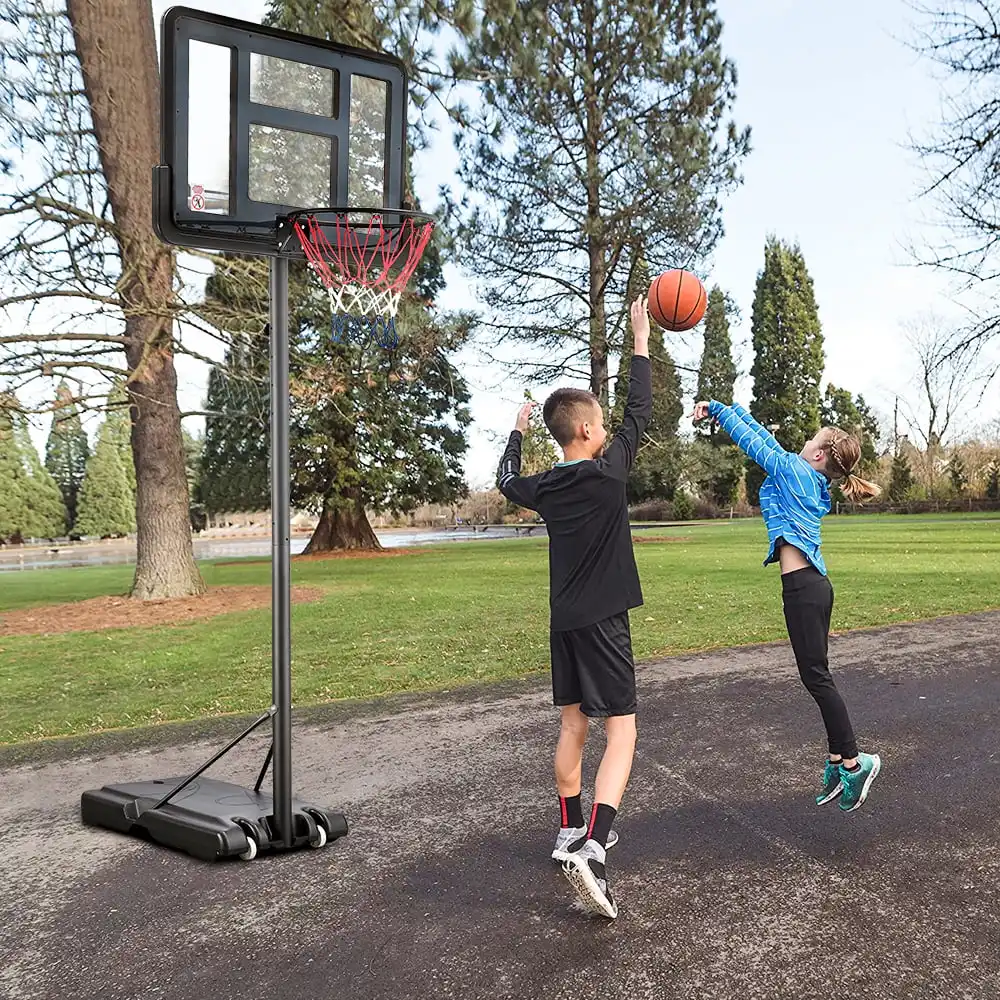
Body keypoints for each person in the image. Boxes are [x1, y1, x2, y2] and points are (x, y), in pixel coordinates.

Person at [496, 296, 653, 919]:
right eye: (602, 424)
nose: (610, 429)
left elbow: (507, 480)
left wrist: (516, 428)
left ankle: (568, 829)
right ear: (587, 431)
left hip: (564, 621)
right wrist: (640, 338)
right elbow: (640, 411)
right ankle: (595, 848)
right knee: (623, 732)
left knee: (572, 726)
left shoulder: (546, 487)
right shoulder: (609, 473)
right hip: (604, 621)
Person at [692, 399, 883, 812]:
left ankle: (854, 762)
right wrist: (727, 406)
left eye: (811, 440)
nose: (803, 444)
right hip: (812, 585)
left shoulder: (796, 472)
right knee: (817, 675)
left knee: (817, 678)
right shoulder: (805, 475)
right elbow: (764, 439)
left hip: (804, 589)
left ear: (817, 454)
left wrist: (722, 415)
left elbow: (754, 444)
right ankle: (836, 762)